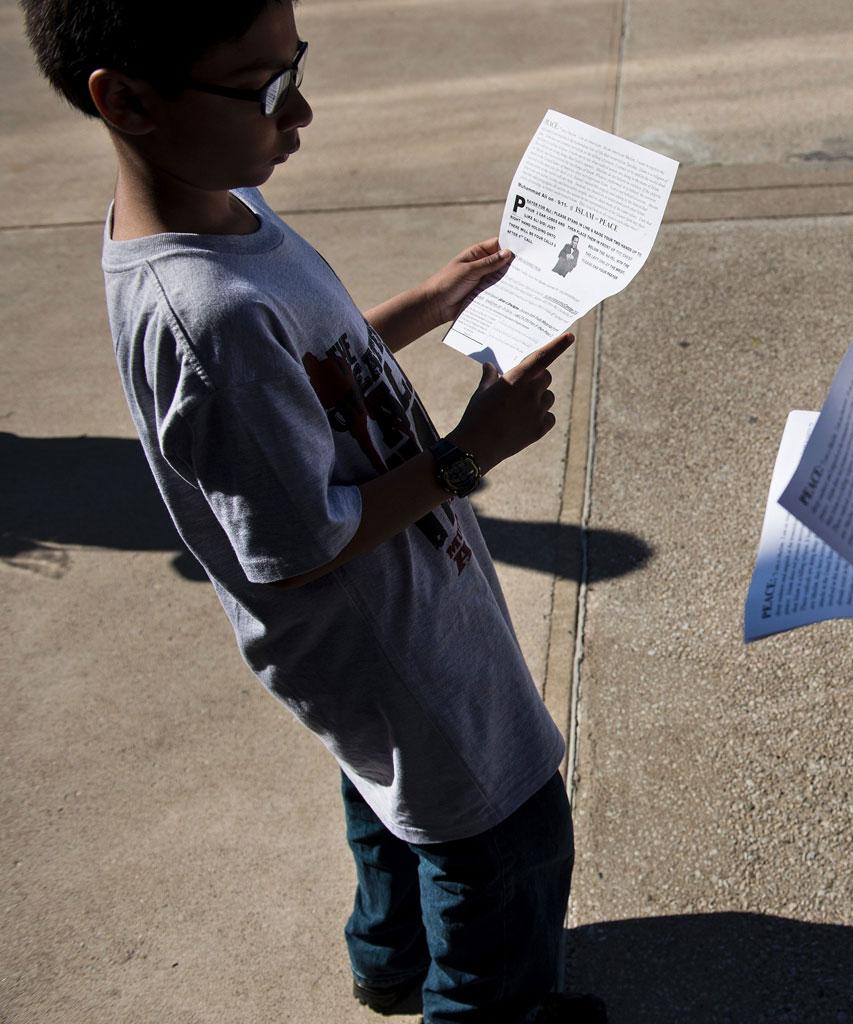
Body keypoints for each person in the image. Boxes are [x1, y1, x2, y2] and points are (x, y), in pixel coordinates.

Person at [20, 2, 603, 1020]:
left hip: (368, 651)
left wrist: (429, 302)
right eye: (267, 89)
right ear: (130, 101)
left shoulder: (214, 208)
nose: (304, 112)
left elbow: (301, 379)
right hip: (388, 639)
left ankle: (389, 958)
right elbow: (299, 546)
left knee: (392, 795)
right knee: (502, 840)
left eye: (298, 70)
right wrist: (468, 451)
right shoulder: (208, 317)